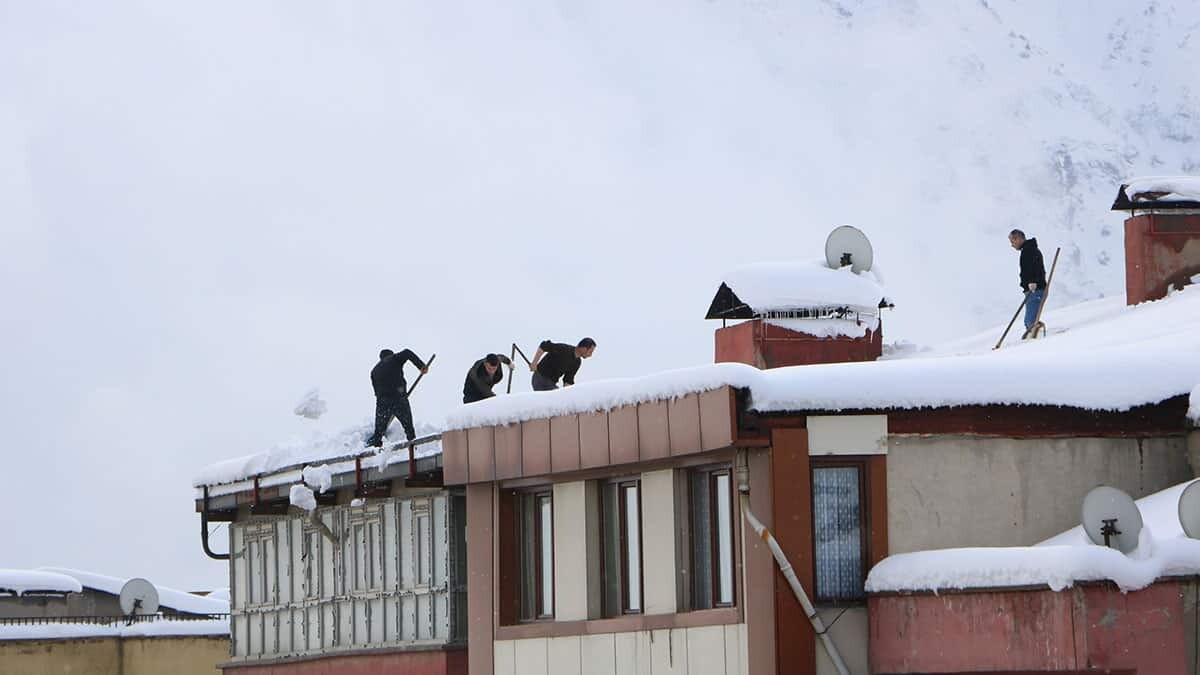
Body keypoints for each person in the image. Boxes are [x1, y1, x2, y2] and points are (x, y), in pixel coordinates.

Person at [366, 348, 429, 447]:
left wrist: (385, 403)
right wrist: (421, 366)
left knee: (378, 433)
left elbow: (376, 392)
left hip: (382, 403)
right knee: (409, 429)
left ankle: (375, 450)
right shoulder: (394, 358)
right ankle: (413, 448)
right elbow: (407, 352)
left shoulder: (374, 371)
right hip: (398, 398)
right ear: (391, 354)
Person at [1009, 229, 1047, 334]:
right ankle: (1033, 336)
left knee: (1031, 321)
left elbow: (1035, 267)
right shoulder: (1027, 250)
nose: (1012, 245)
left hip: (1035, 289)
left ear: (1019, 238)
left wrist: (1033, 281)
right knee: (1028, 321)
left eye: (1012, 241)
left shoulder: (1029, 250)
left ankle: (1038, 337)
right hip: (1032, 289)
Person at [529, 338, 596, 391]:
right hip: (540, 377)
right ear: (584, 349)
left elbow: (568, 380)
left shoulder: (577, 362)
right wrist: (534, 363)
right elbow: (544, 346)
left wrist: (568, 393)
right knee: (551, 399)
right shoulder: (563, 349)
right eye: (590, 352)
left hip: (551, 383)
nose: (590, 355)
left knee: (559, 398)